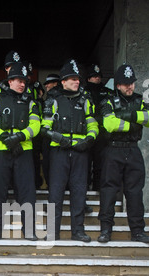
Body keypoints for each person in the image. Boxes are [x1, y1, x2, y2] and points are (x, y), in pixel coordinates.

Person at [41, 59, 99, 242]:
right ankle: (52, 232)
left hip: (81, 153)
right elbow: (44, 127)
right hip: (59, 152)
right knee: (55, 194)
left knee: (79, 192)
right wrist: (58, 138)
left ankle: (78, 231)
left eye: (78, 79)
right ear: (63, 81)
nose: (77, 82)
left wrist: (90, 139)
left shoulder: (85, 100)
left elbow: (93, 125)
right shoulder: (53, 100)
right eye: (72, 79)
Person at [0, 62, 41, 240]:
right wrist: (3, 137)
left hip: (23, 152)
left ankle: (30, 230)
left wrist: (19, 137)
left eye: (24, 81)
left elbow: (36, 125)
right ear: (9, 81)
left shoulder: (30, 102)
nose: (22, 84)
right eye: (18, 80)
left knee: (27, 192)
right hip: (1, 151)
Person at [98, 63, 149, 244]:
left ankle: (137, 231)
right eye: (125, 83)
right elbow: (110, 124)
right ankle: (105, 230)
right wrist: (135, 120)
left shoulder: (140, 99)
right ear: (118, 85)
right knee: (109, 191)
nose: (130, 86)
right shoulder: (109, 100)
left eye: (132, 83)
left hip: (133, 149)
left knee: (135, 192)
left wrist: (125, 116)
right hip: (113, 149)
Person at [85, 64, 112, 191]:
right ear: (88, 78)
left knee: (100, 164)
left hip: (102, 133)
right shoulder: (83, 92)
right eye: (94, 76)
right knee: (84, 163)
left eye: (98, 76)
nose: (97, 79)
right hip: (86, 132)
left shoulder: (107, 92)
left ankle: (97, 188)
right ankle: (85, 188)